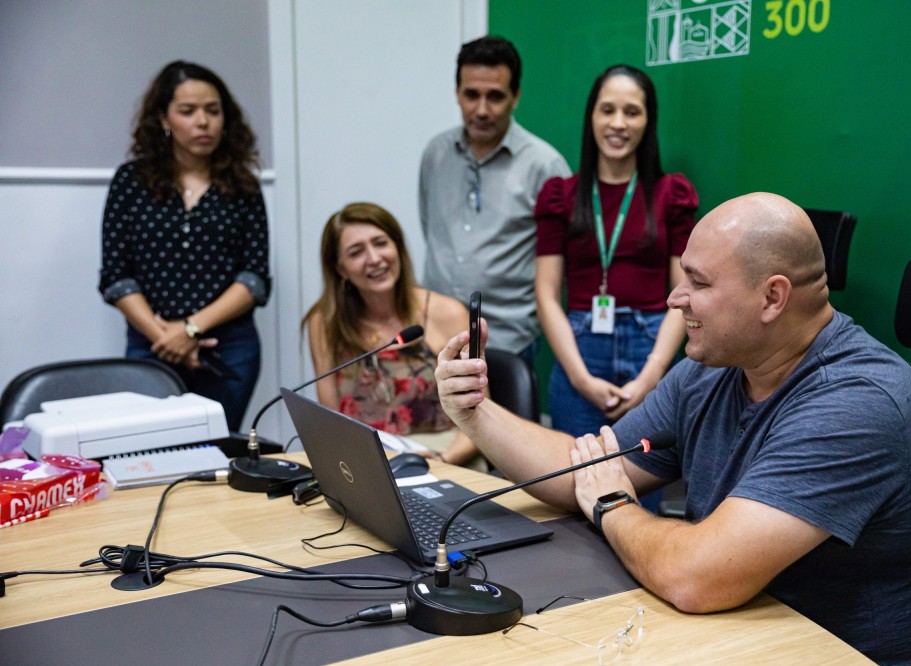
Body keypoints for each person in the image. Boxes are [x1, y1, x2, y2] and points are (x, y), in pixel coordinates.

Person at [434, 192, 911, 666]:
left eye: (699, 283)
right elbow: (585, 470)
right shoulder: (714, 367)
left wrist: (614, 504)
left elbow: (695, 577)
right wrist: (476, 413)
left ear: (772, 297)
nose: (675, 298)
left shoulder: (856, 402)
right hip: (749, 636)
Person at [99, 60, 270, 432]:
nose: (203, 122)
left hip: (229, 349)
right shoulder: (131, 181)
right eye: (188, 111)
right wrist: (166, 338)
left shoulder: (243, 185)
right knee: (147, 450)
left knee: (219, 450)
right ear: (164, 118)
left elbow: (254, 279)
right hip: (151, 344)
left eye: (213, 110)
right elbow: (116, 276)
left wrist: (189, 330)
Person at [535, 64, 697, 437]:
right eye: (607, 110)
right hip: (580, 351)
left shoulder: (671, 194)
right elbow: (545, 293)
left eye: (632, 112)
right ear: (591, 116)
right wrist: (580, 378)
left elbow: (685, 292)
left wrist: (652, 375)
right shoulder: (561, 196)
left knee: (646, 473)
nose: (618, 123)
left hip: (652, 347)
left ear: (648, 121)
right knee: (575, 469)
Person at [419, 35, 570, 360]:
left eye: (495, 97)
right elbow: (429, 226)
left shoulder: (545, 166)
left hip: (507, 342)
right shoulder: (436, 153)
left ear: (516, 96)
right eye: (471, 95)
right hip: (435, 337)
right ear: (457, 92)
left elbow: (558, 267)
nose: (482, 110)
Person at [302, 202, 480, 466]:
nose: (374, 258)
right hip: (367, 462)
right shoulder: (324, 321)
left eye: (381, 243)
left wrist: (442, 460)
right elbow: (331, 422)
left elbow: (481, 416)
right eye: (356, 252)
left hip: (447, 456)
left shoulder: (447, 313)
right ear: (340, 269)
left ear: (397, 247)